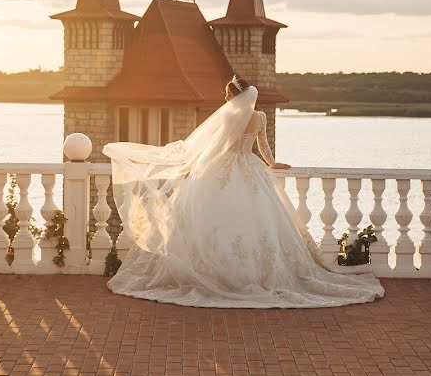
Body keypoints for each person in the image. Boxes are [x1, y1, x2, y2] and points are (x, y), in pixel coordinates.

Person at [102, 76, 384, 308]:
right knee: (256, 222)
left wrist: (197, 166)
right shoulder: (259, 117)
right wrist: (273, 164)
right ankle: (254, 274)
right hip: (249, 168)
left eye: (227, 96)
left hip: (220, 169)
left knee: (210, 221)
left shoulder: (227, 119)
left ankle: (215, 273)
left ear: (231, 97)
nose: (226, 100)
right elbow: (262, 147)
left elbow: (213, 148)